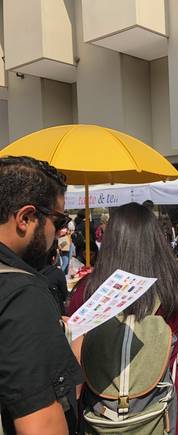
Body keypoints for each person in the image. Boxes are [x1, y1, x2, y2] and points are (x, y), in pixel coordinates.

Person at [68, 203, 178, 434]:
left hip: (100, 415)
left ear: (110, 242)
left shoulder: (87, 290)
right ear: (156, 240)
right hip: (160, 413)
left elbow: (76, 358)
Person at [0, 156, 82, 435]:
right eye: (59, 220)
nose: (61, 231)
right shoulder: (23, 295)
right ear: (25, 218)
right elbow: (42, 426)